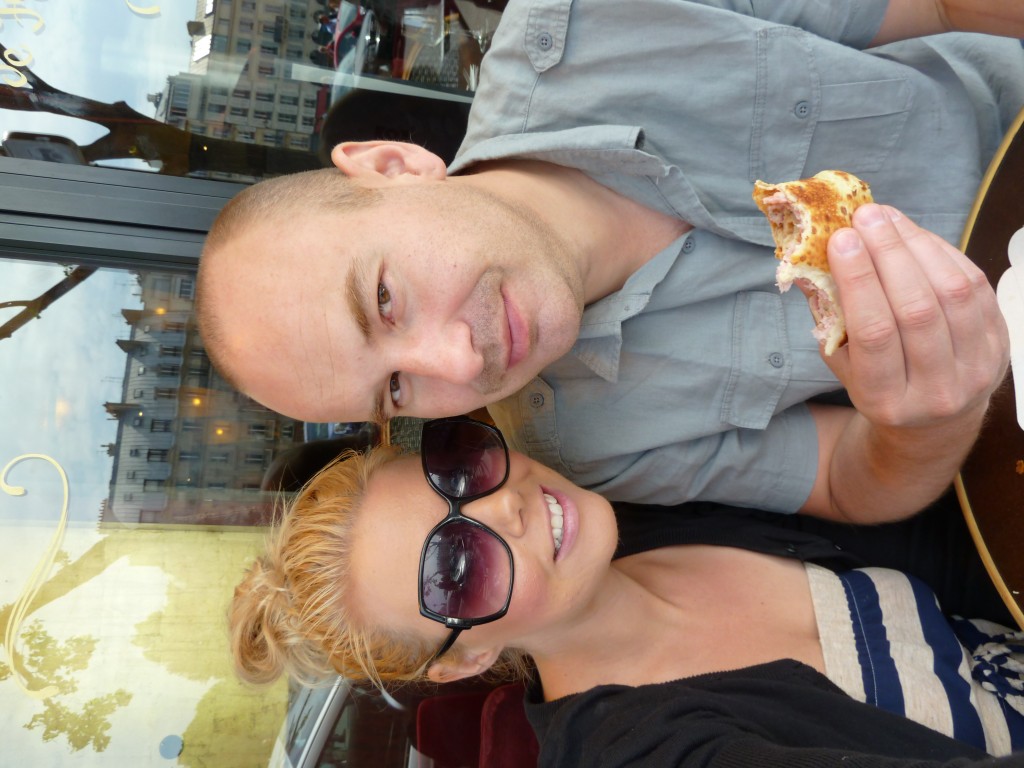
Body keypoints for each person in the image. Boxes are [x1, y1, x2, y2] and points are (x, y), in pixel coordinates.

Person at [197, 0, 1020, 525]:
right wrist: (925, 423)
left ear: (394, 166)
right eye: (397, 390)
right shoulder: (580, 443)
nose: (460, 364)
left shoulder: (591, 17)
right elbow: (847, 481)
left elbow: (942, 3)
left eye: (384, 300)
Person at [229, 417, 1024, 767]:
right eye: (457, 568)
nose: (503, 506)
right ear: (465, 659)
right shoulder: (638, 752)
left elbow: (949, 546)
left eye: (461, 472)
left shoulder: (645, 512)